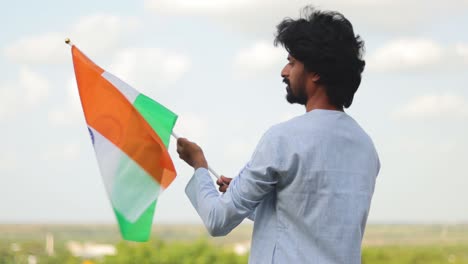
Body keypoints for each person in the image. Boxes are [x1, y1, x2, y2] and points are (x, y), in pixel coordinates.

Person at [176, 6, 380, 264]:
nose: (284, 72)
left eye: (292, 62)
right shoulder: (366, 147)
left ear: (316, 72)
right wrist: (255, 200)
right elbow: (310, 222)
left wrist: (199, 166)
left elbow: (218, 220)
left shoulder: (284, 139)